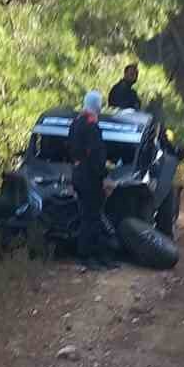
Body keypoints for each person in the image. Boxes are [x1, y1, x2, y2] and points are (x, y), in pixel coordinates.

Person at [68, 91, 118, 272]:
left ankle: (96, 256)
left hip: (78, 174)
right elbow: (96, 155)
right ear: (97, 105)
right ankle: (88, 257)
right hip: (90, 177)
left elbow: (72, 150)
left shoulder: (75, 123)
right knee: (92, 217)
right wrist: (105, 177)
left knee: (87, 216)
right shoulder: (91, 126)